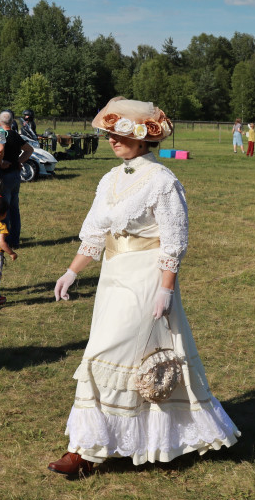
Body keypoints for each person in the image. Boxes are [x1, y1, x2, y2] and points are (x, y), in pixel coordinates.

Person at [48, 96, 240, 477]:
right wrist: (72, 272)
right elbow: (95, 232)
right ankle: (114, 442)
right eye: (109, 135)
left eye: (120, 134)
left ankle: (86, 451)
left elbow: (174, 240)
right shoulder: (110, 179)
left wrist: (165, 288)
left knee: (107, 353)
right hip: (114, 276)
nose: (112, 141)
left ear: (142, 138)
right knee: (125, 358)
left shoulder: (164, 181)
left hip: (146, 276)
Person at [0, 111, 34, 247]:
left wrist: (0, 162)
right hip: (15, 174)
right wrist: (19, 161)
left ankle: (4, 239)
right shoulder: (16, 135)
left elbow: (0, 150)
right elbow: (29, 150)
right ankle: (15, 240)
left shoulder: (1, 133)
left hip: (5, 174)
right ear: (12, 122)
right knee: (14, 208)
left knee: (3, 208)